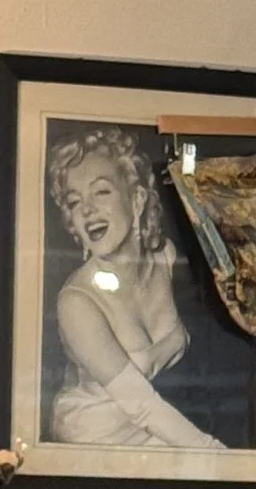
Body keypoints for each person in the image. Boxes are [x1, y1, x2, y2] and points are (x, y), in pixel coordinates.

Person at [44, 128, 226, 454]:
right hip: (94, 441)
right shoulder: (76, 303)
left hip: (159, 430)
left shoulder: (169, 257)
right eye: (74, 201)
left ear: (137, 199)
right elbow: (141, 404)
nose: (86, 210)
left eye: (101, 192)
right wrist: (219, 457)